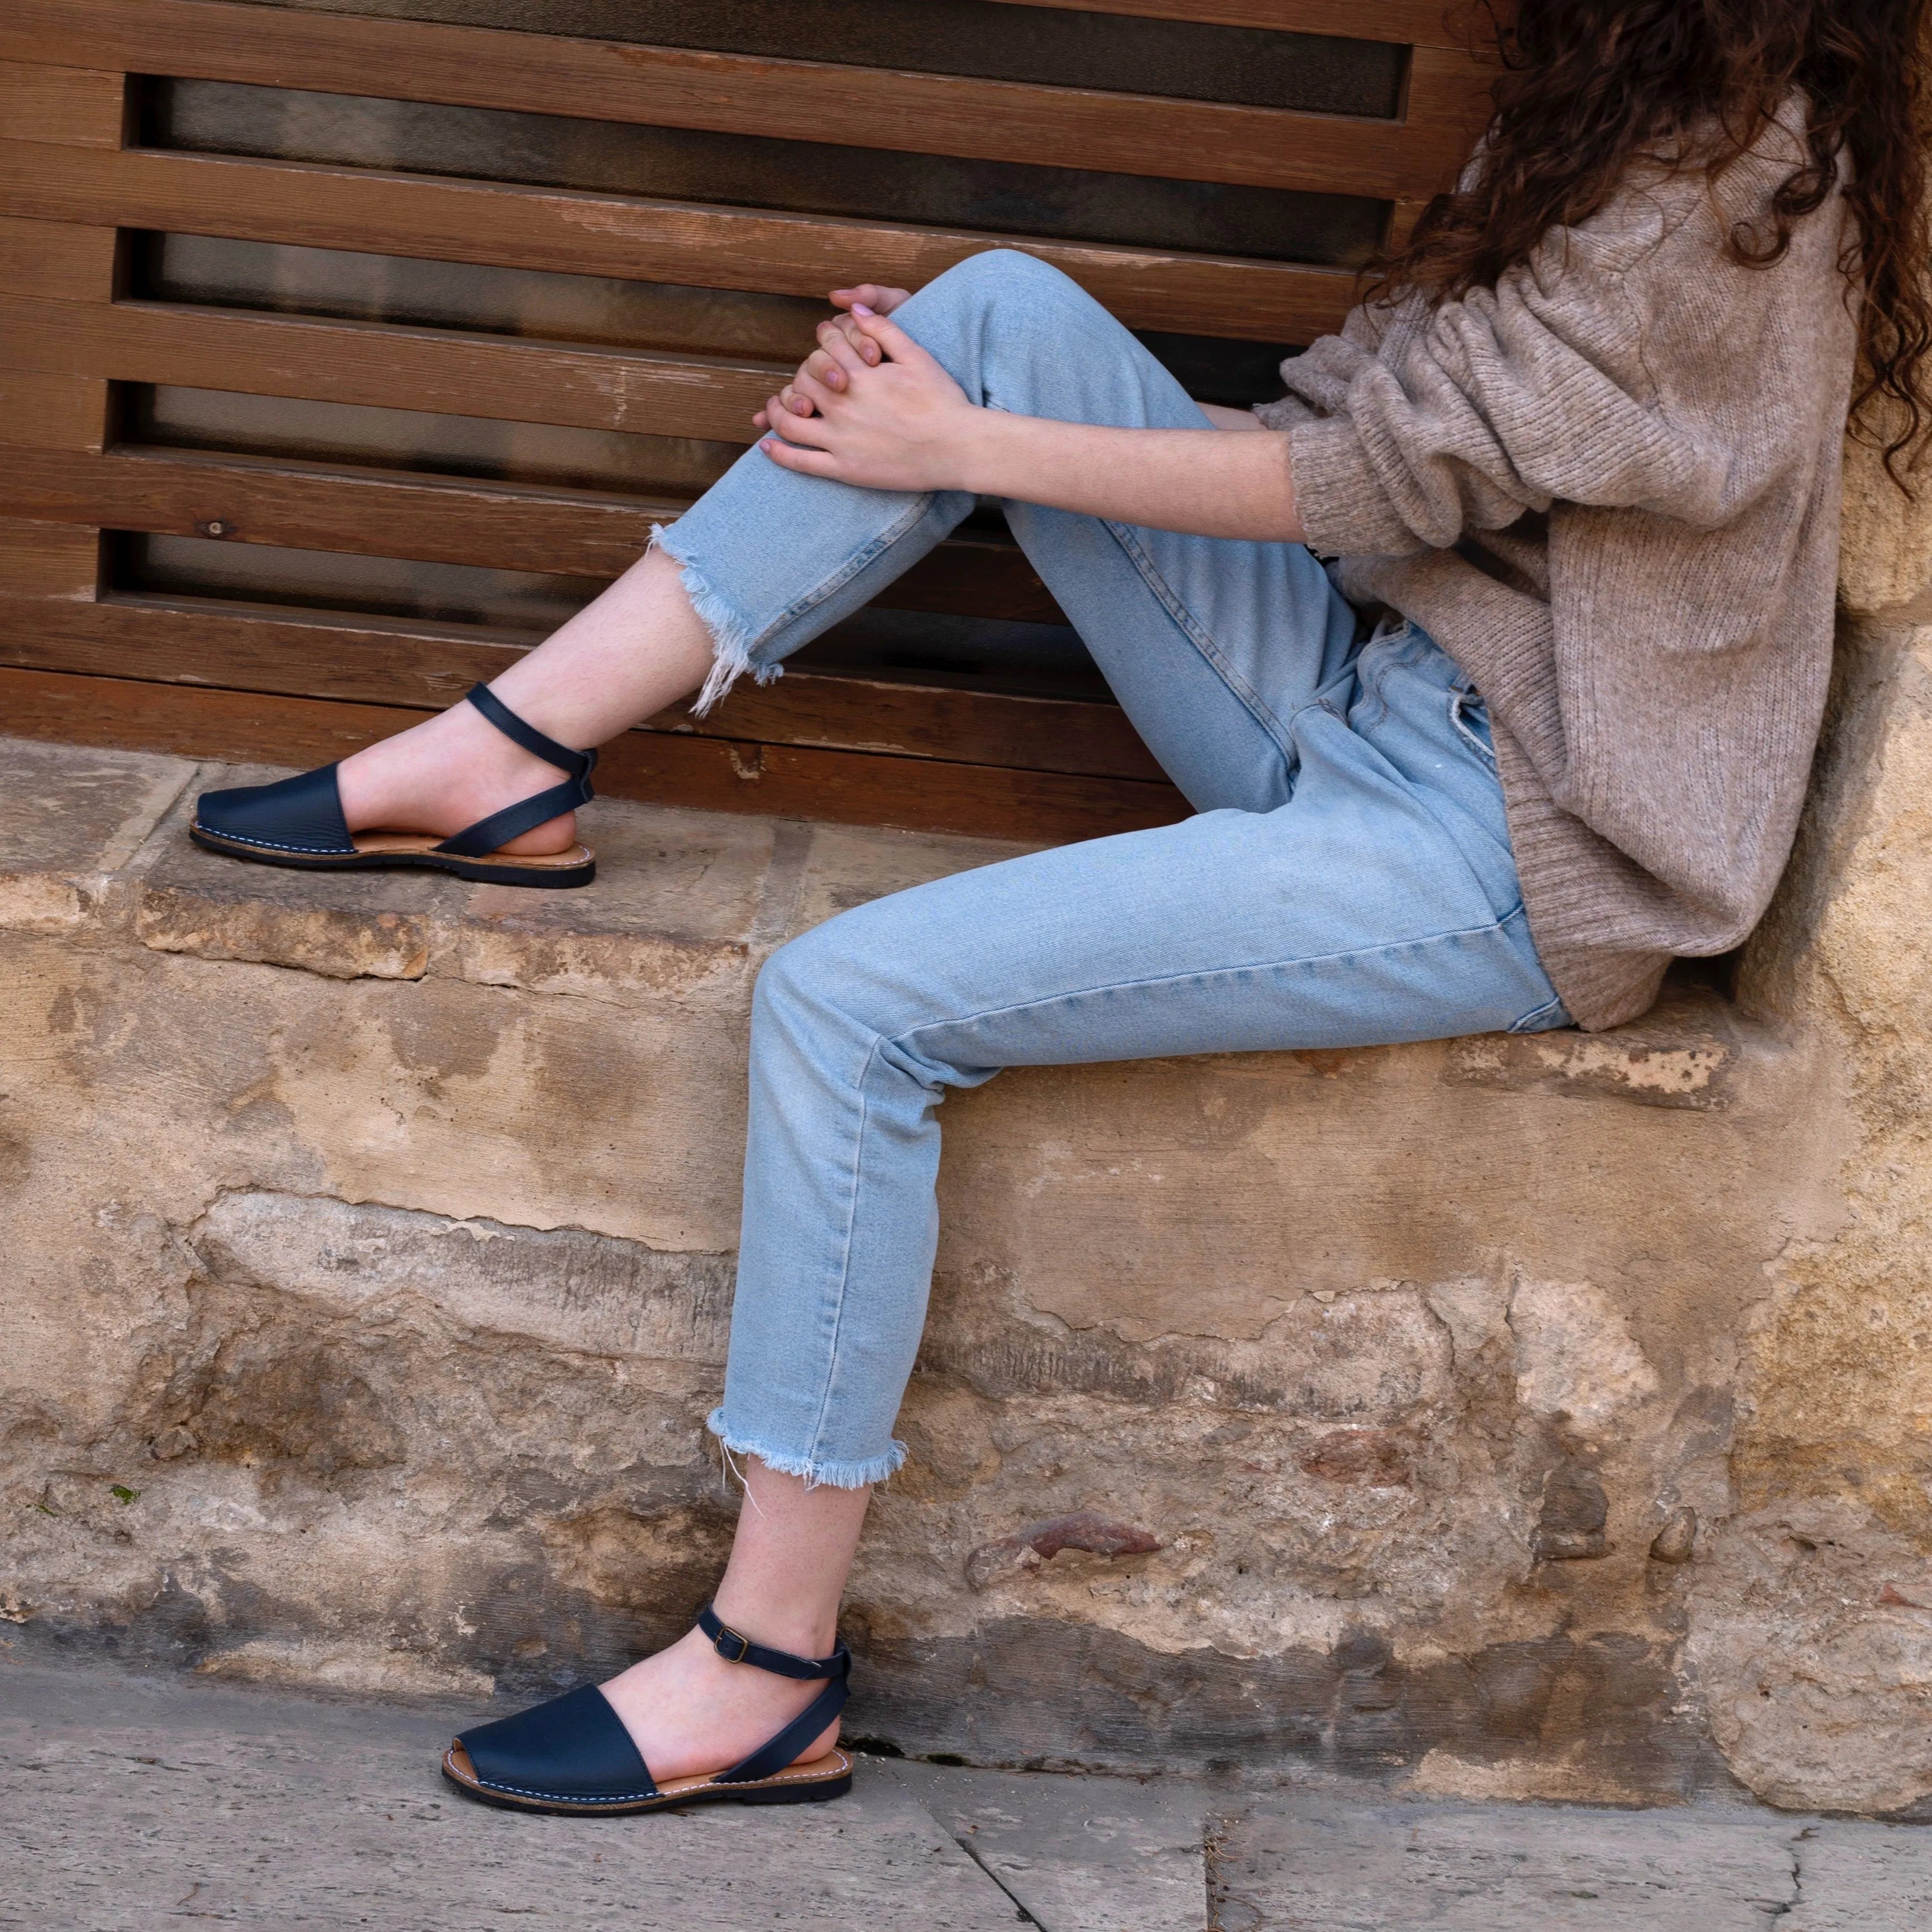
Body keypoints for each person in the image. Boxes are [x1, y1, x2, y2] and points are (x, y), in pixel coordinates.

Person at [189, 0, 1929, 1815]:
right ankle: (510, 746)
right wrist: (932, 398)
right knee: (996, 311)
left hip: (1507, 840)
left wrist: (957, 450)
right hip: (1367, 684)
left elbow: (1368, 477)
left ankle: (764, 1668)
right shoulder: (1625, 111)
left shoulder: (1733, 176)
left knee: (844, 1004)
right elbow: (1366, 434)